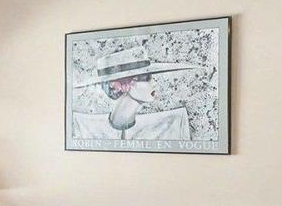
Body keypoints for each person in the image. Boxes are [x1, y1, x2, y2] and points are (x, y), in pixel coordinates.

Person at [70, 44, 201, 142]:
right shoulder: (84, 125)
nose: (154, 83)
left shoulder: (170, 123)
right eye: (147, 78)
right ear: (123, 84)